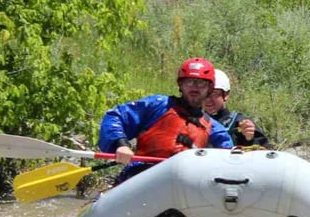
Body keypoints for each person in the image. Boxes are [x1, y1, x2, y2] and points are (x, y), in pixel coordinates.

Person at [99, 57, 233, 184]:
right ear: (180, 84)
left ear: (209, 88)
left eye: (201, 83)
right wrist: (121, 145)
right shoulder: (157, 105)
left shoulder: (214, 128)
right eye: (189, 82)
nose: (194, 87)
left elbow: (228, 158)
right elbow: (115, 116)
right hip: (142, 176)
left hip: (184, 185)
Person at [203, 69, 269, 147]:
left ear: (226, 95)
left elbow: (263, 152)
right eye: (204, 93)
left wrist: (249, 139)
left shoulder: (240, 123)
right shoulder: (193, 122)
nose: (208, 99)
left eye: (214, 93)